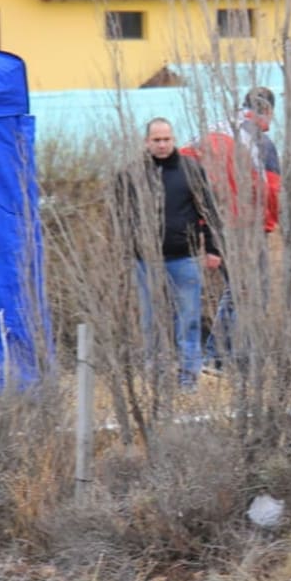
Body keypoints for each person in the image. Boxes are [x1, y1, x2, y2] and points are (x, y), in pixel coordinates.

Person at [115, 118, 224, 389]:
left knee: (188, 320)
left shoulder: (191, 171)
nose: (162, 145)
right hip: (145, 261)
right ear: (147, 142)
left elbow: (208, 212)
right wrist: (127, 250)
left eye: (166, 139)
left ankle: (188, 378)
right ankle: (156, 378)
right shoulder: (131, 175)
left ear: (173, 140)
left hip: (184, 259)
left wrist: (212, 249)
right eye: (156, 140)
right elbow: (122, 217)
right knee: (151, 321)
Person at [181, 86, 281, 371]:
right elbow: (271, 189)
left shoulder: (209, 132)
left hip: (212, 226)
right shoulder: (261, 142)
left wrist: (196, 219)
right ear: (269, 111)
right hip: (246, 227)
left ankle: (217, 356)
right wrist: (268, 224)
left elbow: (182, 167)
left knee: (236, 289)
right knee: (253, 292)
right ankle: (229, 358)